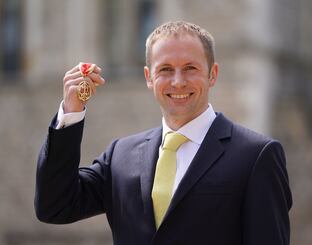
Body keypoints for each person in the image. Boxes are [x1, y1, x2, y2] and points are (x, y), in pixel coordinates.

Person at [35, 21, 292, 245]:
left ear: (212, 74)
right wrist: (71, 111)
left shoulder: (256, 155)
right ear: (149, 77)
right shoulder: (120, 156)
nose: (178, 81)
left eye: (190, 68)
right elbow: (54, 206)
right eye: (165, 70)